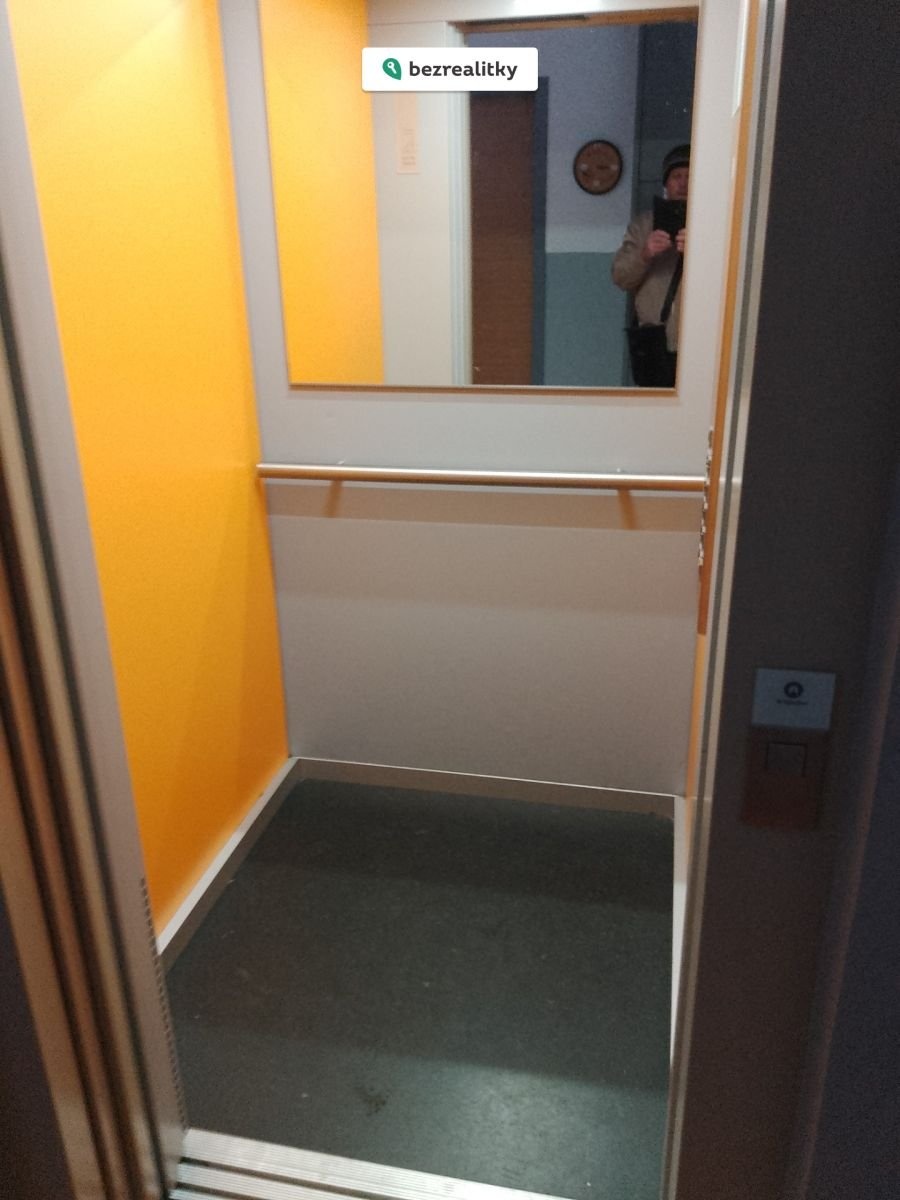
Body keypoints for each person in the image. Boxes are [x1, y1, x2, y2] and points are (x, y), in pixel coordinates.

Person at [612, 145, 689, 377]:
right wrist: (645, 254)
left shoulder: (717, 225)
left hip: (700, 340)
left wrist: (702, 254)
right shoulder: (642, 225)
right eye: (676, 176)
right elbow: (620, 277)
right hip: (653, 341)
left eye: (690, 176)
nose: (683, 183)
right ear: (666, 183)